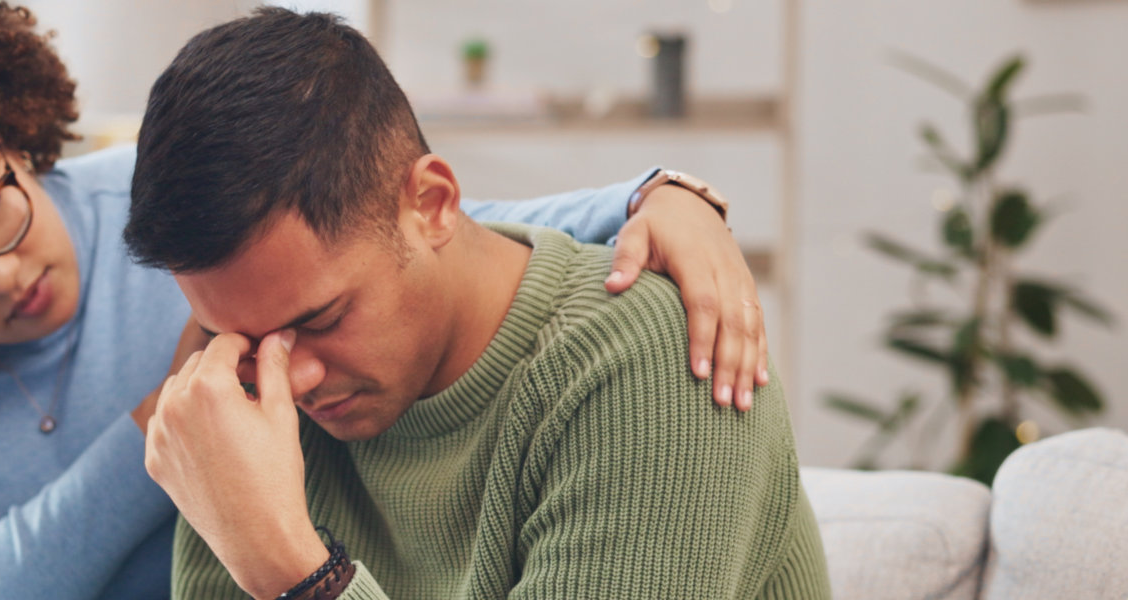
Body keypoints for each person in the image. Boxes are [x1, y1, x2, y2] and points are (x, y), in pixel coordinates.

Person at [0, 1, 771, 599]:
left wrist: (655, 195)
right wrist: (172, 440)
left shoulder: (199, 239)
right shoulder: (250, 404)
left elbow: (421, 221)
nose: (1, 274)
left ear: (9, 137)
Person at [128, 8, 829, 599]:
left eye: (321, 320)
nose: (293, 379)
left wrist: (297, 571)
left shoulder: (647, 366)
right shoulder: (242, 401)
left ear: (431, 206)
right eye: (243, 340)